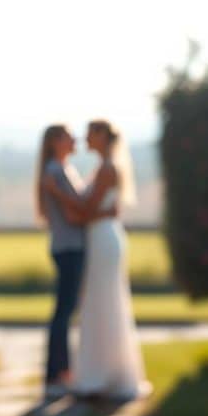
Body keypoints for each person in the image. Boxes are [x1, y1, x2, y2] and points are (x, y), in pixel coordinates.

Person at [68, 119, 149, 400]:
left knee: (104, 303)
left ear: (102, 135)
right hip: (101, 238)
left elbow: (89, 209)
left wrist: (59, 195)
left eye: (90, 133)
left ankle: (102, 376)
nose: (85, 138)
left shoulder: (107, 169)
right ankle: (99, 373)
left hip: (103, 240)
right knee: (101, 303)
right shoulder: (103, 167)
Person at [35, 125, 115, 396]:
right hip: (69, 246)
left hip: (67, 246)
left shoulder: (61, 170)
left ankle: (60, 371)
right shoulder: (56, 172)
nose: (75, 139)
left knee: (65, 310)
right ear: (55, 141)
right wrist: (104, 213)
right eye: (69, 136)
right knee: (64, 311)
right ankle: (57, 374)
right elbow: (73, 214)